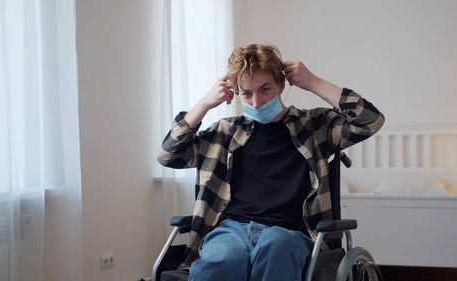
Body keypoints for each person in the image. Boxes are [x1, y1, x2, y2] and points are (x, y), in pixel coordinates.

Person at [157, 43, 384, 281]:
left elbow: (370, 120)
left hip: (290, 232)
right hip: (231, 229)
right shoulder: (225, 132)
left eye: (265, 89)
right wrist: (204, 104)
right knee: (224, 259)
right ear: (236, 92)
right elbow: (168, 155)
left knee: (276, 247)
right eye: (246, 93)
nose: (257, 102)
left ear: (281, 85)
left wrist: (312, 82)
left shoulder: (313, 126)